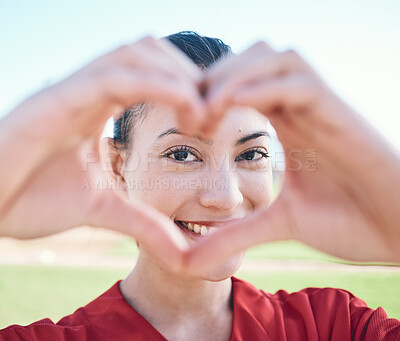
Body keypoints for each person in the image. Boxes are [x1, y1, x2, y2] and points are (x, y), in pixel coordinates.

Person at [0, 31, 399, 340]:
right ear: (118, 166)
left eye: (251, 155)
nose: (226, 197)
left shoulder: (333, 326)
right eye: (182, 154)